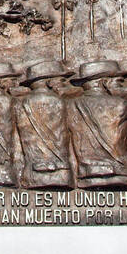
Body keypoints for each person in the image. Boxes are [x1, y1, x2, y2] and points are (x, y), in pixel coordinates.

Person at [66, 59, 127, 189]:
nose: (122, 86)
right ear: (104, 83)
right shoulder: (122, 104)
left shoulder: (70, 105)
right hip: (121, 175)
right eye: (118, 82)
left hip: (87, 174)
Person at [13, 60, 75, 189]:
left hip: (32, 172)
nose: (64, 84)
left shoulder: (21, 104)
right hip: (60, 172)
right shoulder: (58, 102)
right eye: (61, 80)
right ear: (49, 82)